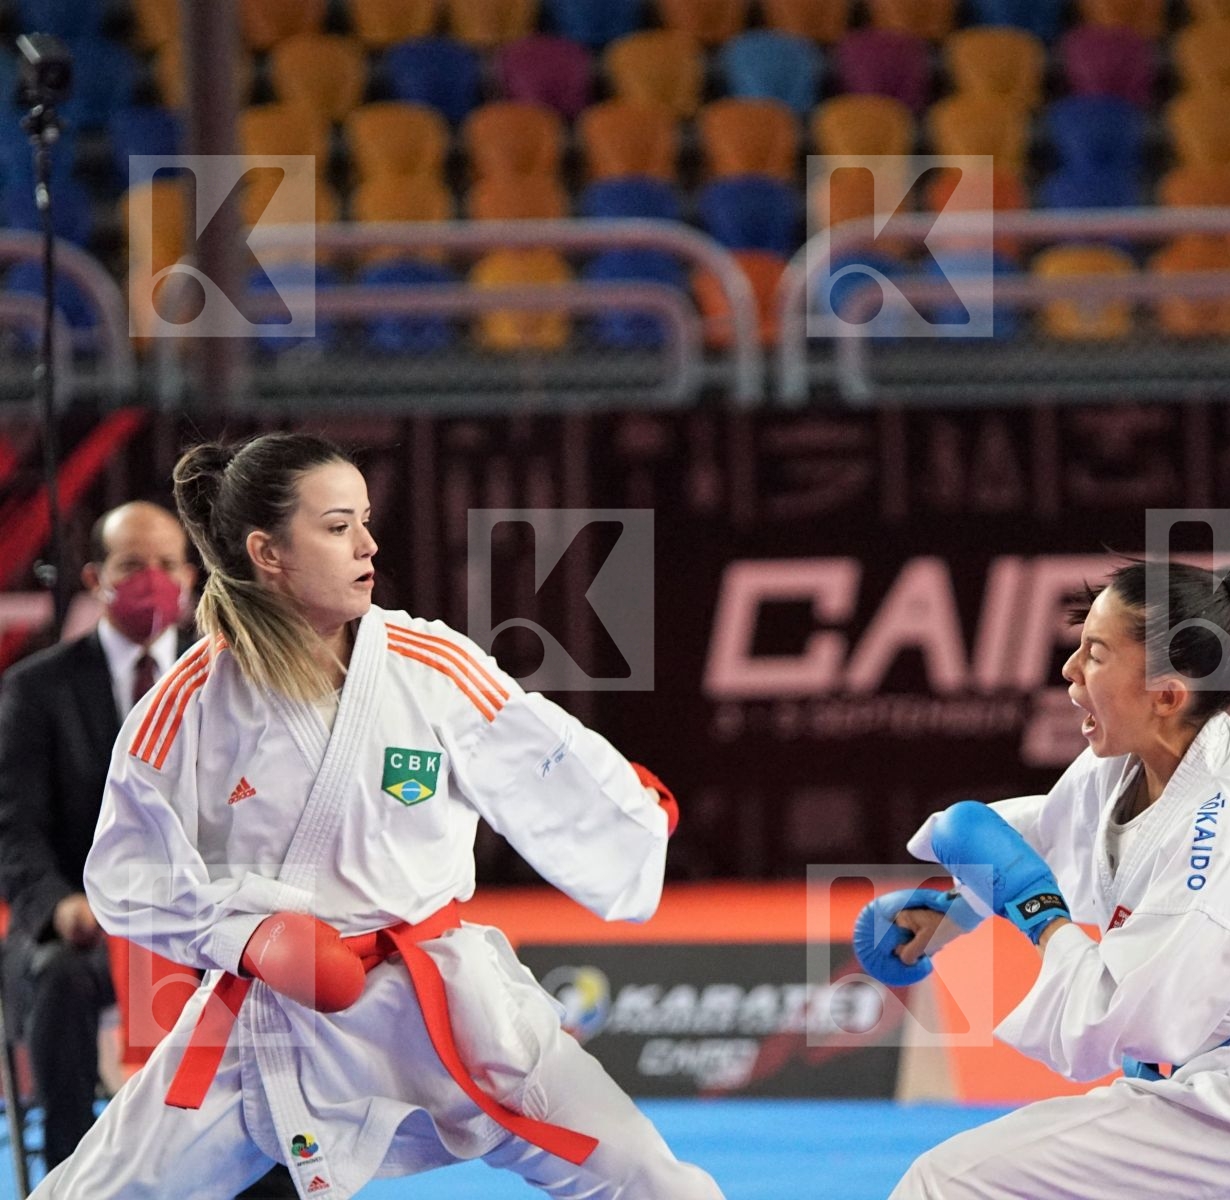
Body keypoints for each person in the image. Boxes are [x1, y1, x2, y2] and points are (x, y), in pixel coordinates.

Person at [34, 433, 721, 1200]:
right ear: (268, 552)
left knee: (652, 1180)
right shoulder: (190, 702)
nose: (368, 545)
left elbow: (536, 751)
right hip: (273, 1021)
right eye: (338, 527)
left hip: (449, 1005)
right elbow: (127, 872)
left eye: (363, 521)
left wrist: (629, 806)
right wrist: (246, 935)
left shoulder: (428, 666)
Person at [855, 561, 1230, 1198]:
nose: (1069, 670)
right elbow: (1051, 835)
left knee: (944, 1184)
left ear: (1166, 696)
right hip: (1221, 1101)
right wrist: (952, 914)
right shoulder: (1124, 768)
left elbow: (1123, 1017)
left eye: (1095, 654)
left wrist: (1038, 912)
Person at [0, 504, 197, 1167]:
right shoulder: (36, 688)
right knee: (60, 976)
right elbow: (14, 829)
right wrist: (59, 905)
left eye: (167, 564)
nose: (153, 580)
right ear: (94, 578)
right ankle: (70, 1169)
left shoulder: (224, 678)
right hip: (83, 932)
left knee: (280, 969)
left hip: (198, 923)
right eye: (132, 565)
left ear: (191, 577)